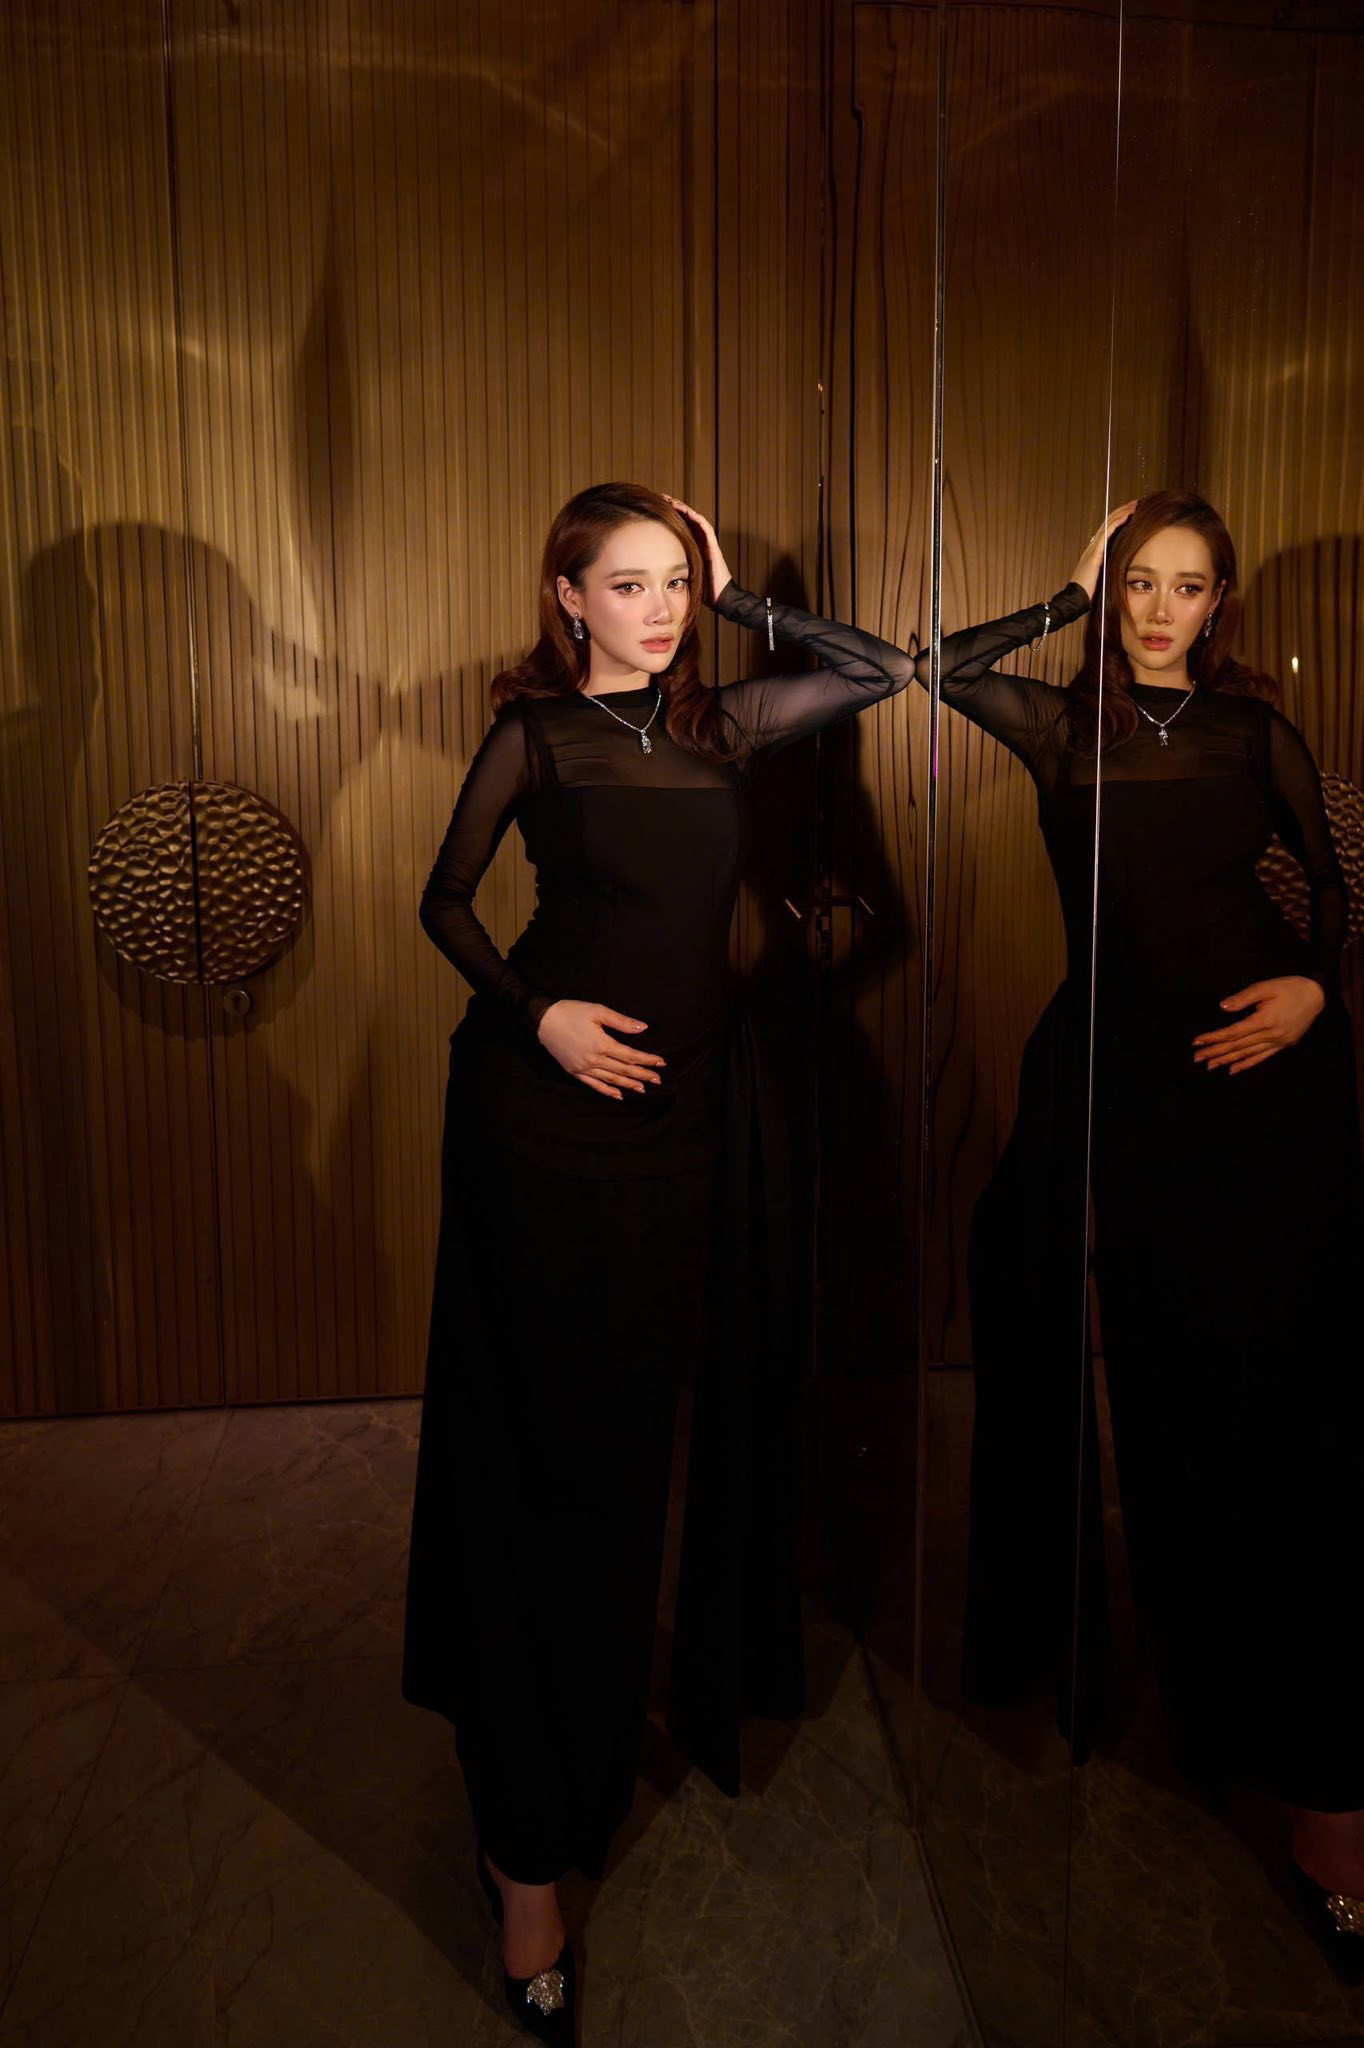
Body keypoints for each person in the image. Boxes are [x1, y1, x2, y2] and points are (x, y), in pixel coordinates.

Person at [401, 481, 915, 2041]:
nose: (660, 608)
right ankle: (524, 1854)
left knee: (632, 1452)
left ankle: (592, 1709)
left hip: (685, 1129)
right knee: (537, 1454)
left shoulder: (719, 727)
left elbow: (881, 668)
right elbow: (443, 900)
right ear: (566, 598)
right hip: (541, 1123)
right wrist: (539, 1013)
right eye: (626, 583)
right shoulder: (536, 738)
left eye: (673, 583)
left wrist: (740, 589)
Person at [922, 489, 1364, 1982]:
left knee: (1286, 1414)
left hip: (1266, 1087)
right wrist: (1061, 589)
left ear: (1221, 603)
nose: (1164, 611)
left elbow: (1331, 888)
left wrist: (1316, 990)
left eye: (1188, 587)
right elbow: (942, 666)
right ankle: (1203, 1704)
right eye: (1139, 586)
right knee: (1169, 1401)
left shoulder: (1252, 735)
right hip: (1125, 1087)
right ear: (1112, 597)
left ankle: (1325, 1791)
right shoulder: (1064, 730)